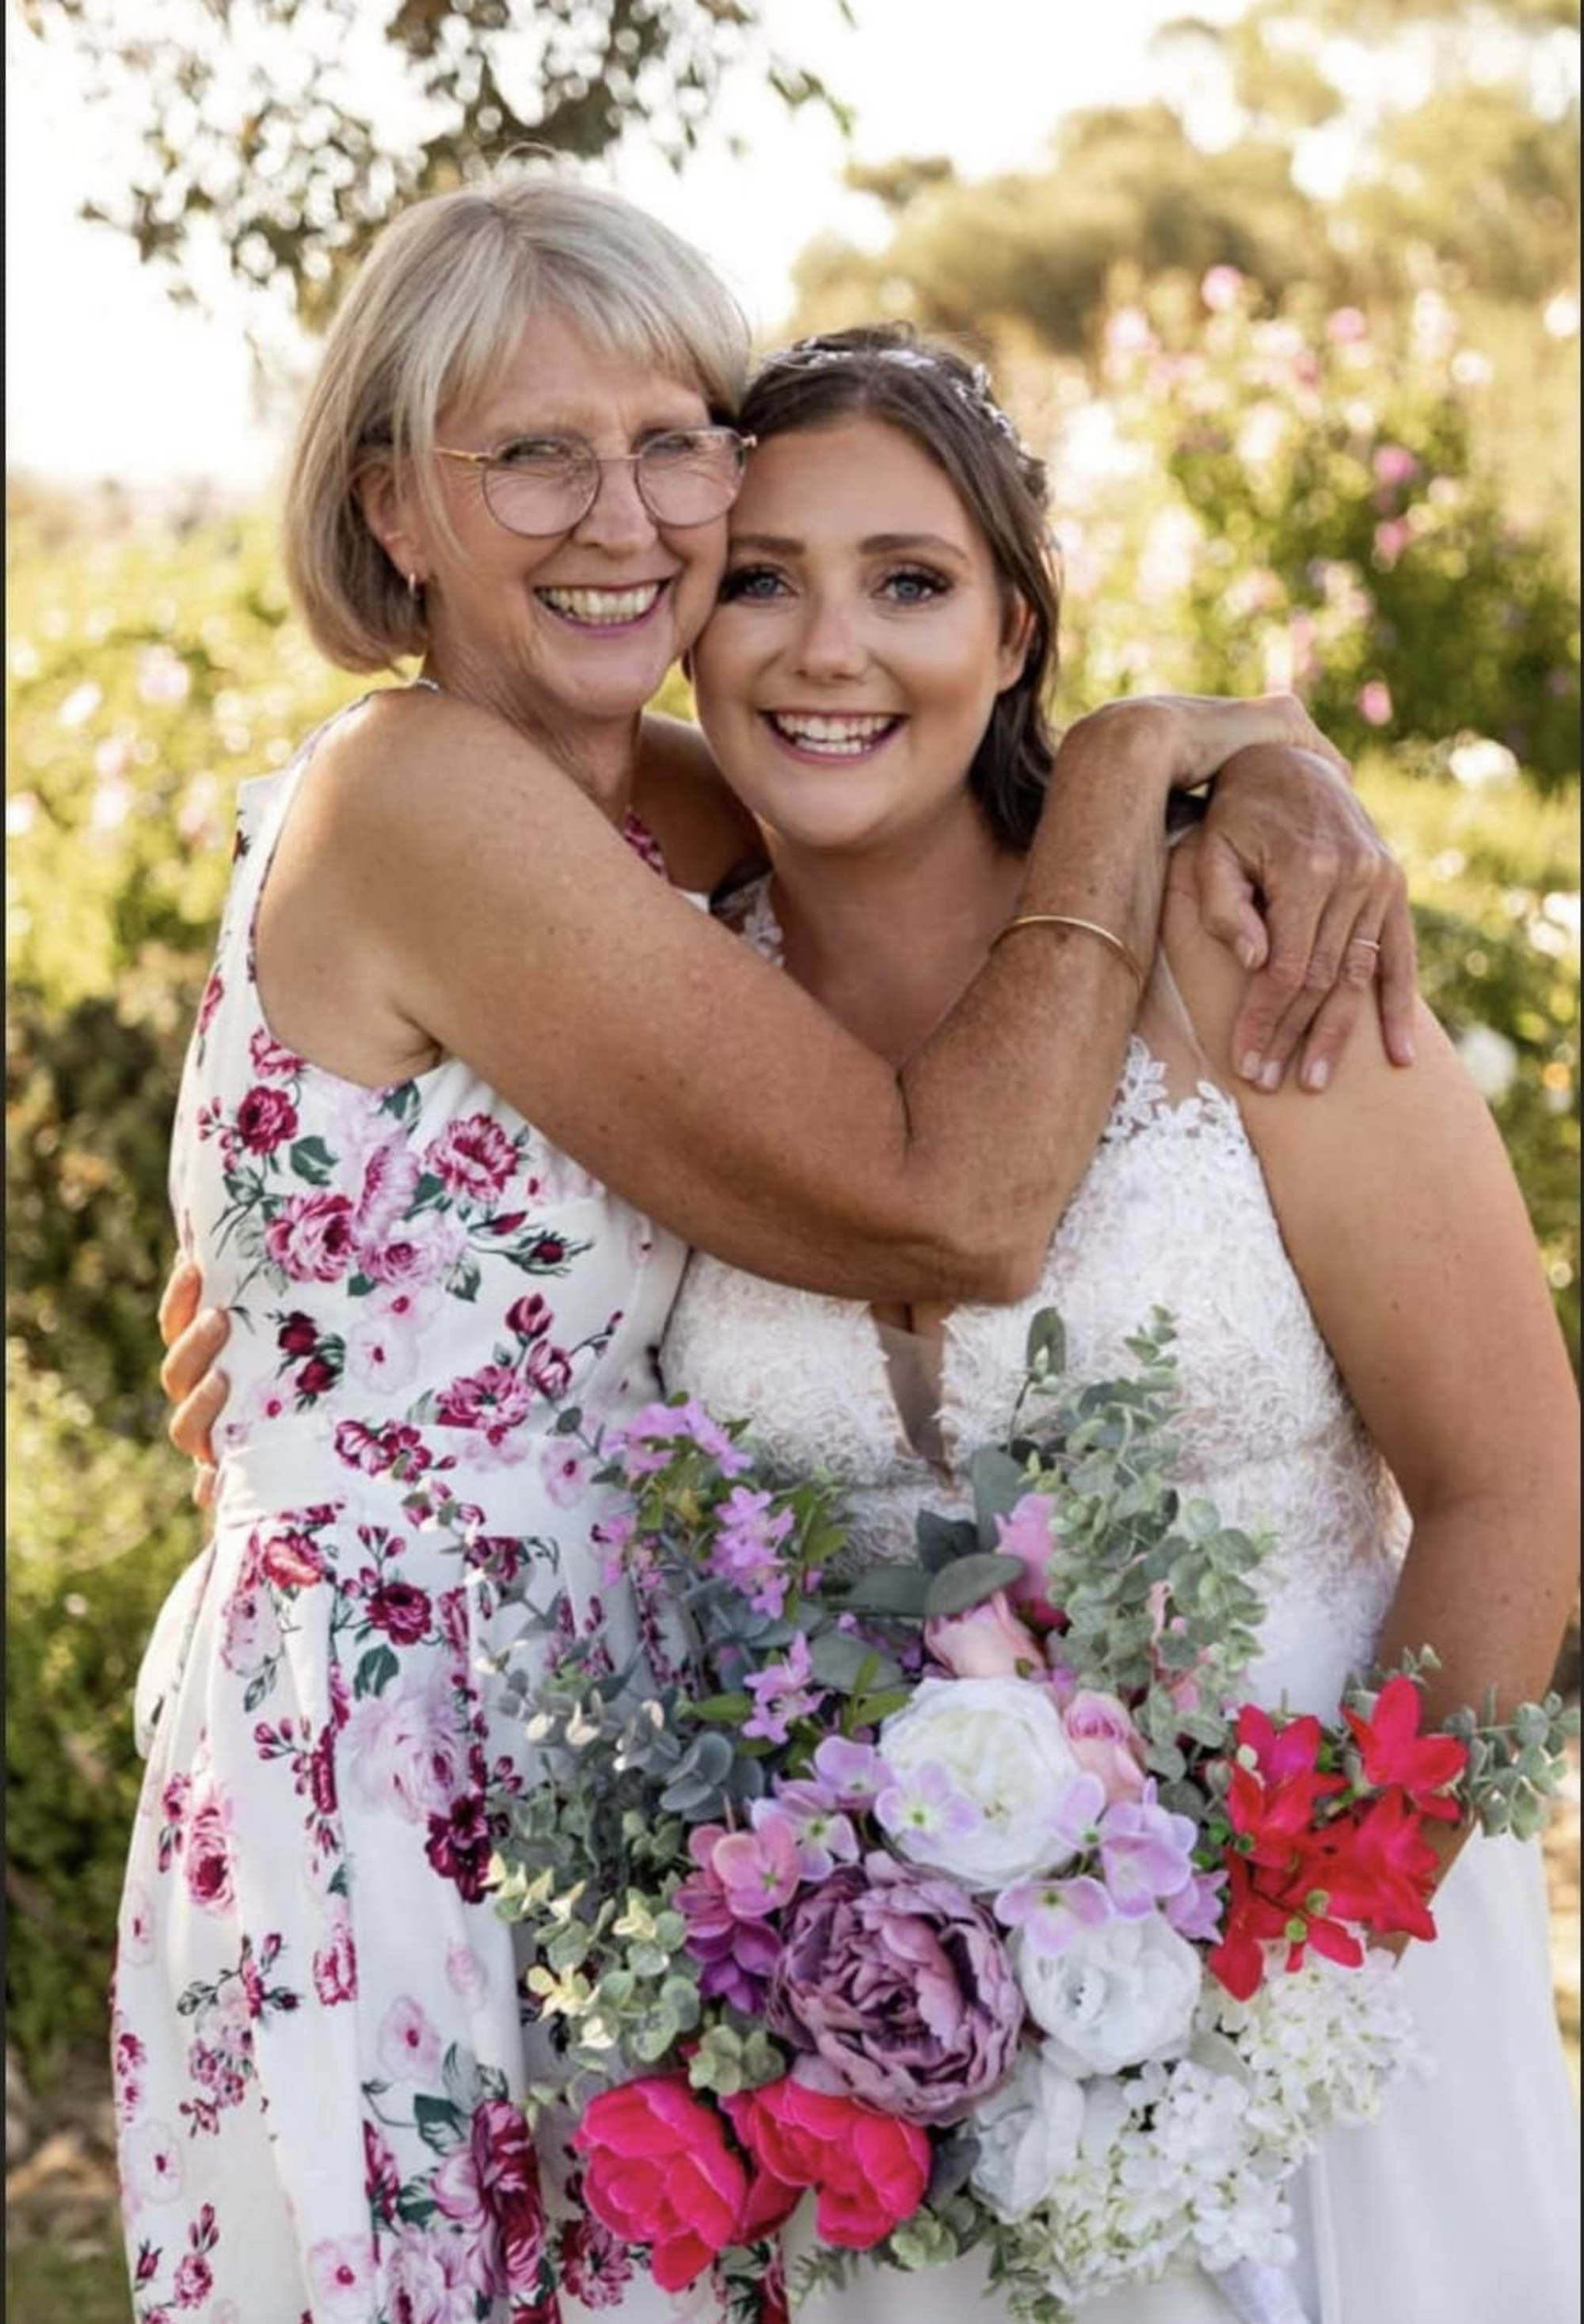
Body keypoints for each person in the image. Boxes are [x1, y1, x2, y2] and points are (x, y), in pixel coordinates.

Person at [130, 171, 1418, 2316]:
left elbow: (912, 795)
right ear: (390, 507)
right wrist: (1130, 756)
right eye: (533, 449)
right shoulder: (420, 793)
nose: (626, 514)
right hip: (406, 1741)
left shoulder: (656, 801)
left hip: (642, 1722)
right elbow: (959, 1201)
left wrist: (1262, 759)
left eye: (675, 438)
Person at [642, 329, 1578, 2322]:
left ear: (1015, 633)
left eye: (908, 581)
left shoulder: (1253, 941)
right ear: (683, 631)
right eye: (759, 577)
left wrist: (1282, 1968)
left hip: (1327, 2016)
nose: (827, 649)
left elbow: (1510, 1484)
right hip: (886, 2070)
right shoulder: (652, 1007)